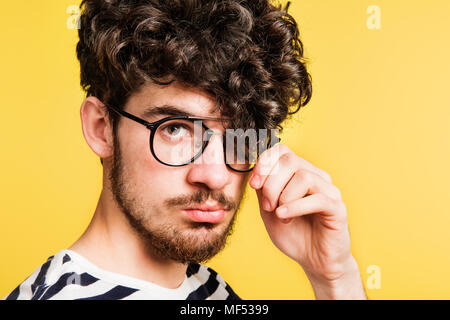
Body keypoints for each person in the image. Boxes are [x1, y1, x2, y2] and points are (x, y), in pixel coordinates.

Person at [4, 0, 366, 300]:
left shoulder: (209, 290)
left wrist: (335, 277)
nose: (214, 175)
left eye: (239, 135)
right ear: (102, 128)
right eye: (176, 129)